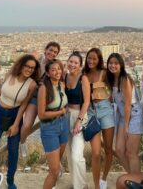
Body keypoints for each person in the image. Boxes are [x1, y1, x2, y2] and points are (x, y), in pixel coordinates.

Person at [0, 54, 40, 189]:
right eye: (27, 66)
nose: (30, 70)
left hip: (15, 115)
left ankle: (10, 181)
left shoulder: (31, 84)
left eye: (32, 68)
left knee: (13, 152)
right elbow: (1, 89)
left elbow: (24, 105)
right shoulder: (10, 74)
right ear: (21, 65)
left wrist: (15, 125)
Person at [20, 41, 61, 156]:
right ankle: (22, 143)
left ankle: (53, 157)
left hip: (48, 99)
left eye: (55, 52)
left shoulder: (55, 66)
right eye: (51, 50)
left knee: (50, 130)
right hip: (34, 97)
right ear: (45, 49)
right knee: (27, 124)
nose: (52, 53)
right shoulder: (36, 63)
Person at [106, 53, 143, 174]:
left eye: (116, 63)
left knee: (131, 152)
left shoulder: (125, 79)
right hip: (124, 116)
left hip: (134, 114)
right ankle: (134, 178)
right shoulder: (112, 79)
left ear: (121, 65)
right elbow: (114, 100)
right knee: (118, 150)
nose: (113, 65)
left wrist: (126, 127)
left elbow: (128, 104)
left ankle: (137, 181)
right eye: (110, 63)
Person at [83, 48, 114, 189]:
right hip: (91, 112)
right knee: (95, 153)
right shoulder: (83, 74)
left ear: (99, 59)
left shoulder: (104, 73)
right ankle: (96, 186)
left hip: (105, 109)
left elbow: (116, 86)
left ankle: (104, 179)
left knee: (108, 149)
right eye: (89, 58)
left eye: (94, 59)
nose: (91, 61)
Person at [38, 60, 69, 189]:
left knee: (56, 166)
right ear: (48, 73)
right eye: (53, 70)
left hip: (64, 125)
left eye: (59, 69)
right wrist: (61, 111)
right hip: (50, 127)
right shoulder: (44, 88)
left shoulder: (62, 85)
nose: (57, 72)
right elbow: (41, 114)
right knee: (55, 171)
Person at [65, 51, 90, 189]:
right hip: (65, 116)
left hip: (79, 116)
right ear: (67, 62)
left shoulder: (83, 79)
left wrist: (79, 120)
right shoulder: (64, 76)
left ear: (80, 65)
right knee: (69, 152)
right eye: (71, 61)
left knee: (76, 155)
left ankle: (82, 185)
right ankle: (76, 184)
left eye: (76, 63)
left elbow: (86, 102)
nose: (73, 64)